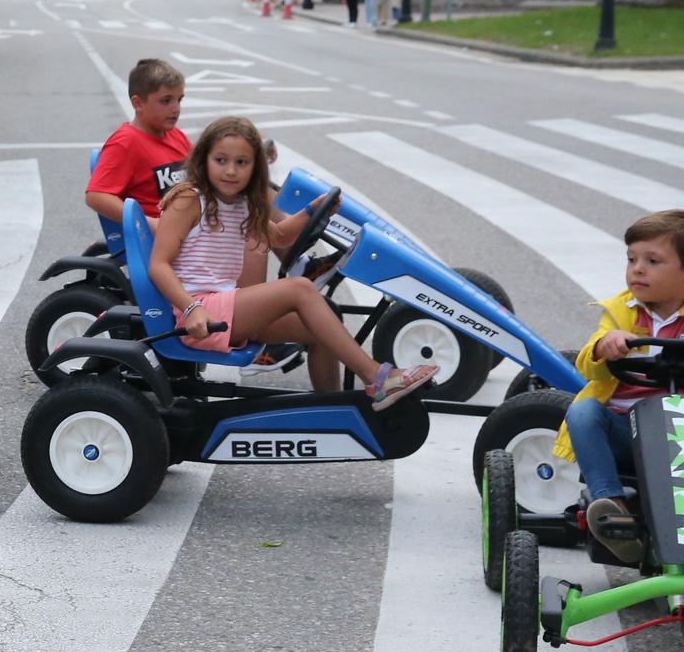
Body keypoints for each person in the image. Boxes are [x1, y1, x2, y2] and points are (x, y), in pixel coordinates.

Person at [150, 115, 434, 406]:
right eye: (221, 160)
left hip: (226, 307)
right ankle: (377, 378)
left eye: (242, 163)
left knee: (323, 325)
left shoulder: (241, 202)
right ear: (204, 159)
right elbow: (158, 264)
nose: (231, 171)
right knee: (299, 289)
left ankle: (333, 410)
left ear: (255, 167)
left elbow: (280, 236)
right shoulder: (188, 199)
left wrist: (312, 210)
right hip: (198, 314)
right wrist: (193, 308)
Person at [554, 210, 684, 562]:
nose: (637, 269)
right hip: (623, 430)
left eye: (652, 261)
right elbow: (590, 370)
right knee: (582, 411)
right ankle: (612, 507)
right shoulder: (621, 313)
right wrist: (604, 345)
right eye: (632, 259)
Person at [86, 59, 188, 232]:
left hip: (186, 227)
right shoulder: (126, 143)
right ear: (138, 103)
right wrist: (148, 224)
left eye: (179, 100)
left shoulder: (176, 136)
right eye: (166, 101)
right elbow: (96, 196)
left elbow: (201, 174)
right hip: (159, 241)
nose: (176, 108)